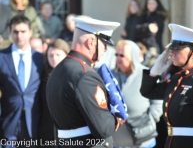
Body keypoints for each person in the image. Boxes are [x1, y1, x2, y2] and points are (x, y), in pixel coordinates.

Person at [46, 17, 122, 148]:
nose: (105, 50)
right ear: (91, 42)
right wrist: (117, 118)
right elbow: (103, 128)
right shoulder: (86, 75)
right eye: (104, 44)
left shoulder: (58, 70)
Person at [0, 15, 44, 147]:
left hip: (35, 123)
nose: (19, 35)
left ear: (30, 32)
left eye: (23, 31)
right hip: (8, 123)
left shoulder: (41, 59)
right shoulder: (1, 57)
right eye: (15, 32)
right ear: (10, 32)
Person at [111, 40, 162, 148]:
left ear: (132, 56)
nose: (118, 58)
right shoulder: (110, 76)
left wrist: (150, 118)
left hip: (143, 139)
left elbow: (158, 102)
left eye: (122, 55)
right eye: (117, 55)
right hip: (118, 141)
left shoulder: (148, 75)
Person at [38, 39, 69, 147]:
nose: (54, 58)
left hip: (68, 132)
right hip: (46, 131)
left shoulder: (71, 76)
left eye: (57, 54)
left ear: (66, 54)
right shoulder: (42, 77)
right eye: (51, 55)